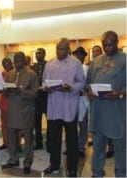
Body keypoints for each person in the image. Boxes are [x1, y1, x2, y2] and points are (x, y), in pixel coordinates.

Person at [42, 38, 85, 177]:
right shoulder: (50, 63)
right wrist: (45, 88)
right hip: (54, 106)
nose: (59, 51)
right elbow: (44, 81)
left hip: (69, 106)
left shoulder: (76, 63)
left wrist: (71, 87)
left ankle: (72, 167)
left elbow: (81, 83)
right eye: (58, 48)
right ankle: (54, 164)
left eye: (62, 49)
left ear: (68, 49)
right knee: (53, 137)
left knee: (72, 139)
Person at [86, 31, 126, 177]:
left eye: (110, 44)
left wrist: (121, 93)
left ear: (117, 43)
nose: (107, 48)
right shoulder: (96, 61)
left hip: (117, 112)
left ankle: (121, 174)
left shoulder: (125, 60)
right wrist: (88, 91)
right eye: (104, 45)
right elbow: (87, 83)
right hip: (98, 111)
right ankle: (97, 173)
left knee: (120, 148)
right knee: (98, 146)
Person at [2, 51, 39, 175]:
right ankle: (13, 159)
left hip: (26, 110)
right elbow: (5, 91)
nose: (16, 63)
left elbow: (35, 93)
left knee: (28, 138)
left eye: (19, 60)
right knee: (11, 135)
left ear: (24, 61)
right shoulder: (10, 74)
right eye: (15, 61)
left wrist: (21, 91)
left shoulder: (31, 74)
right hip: (12, 109)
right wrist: (6, 91)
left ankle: (28, 162)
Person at [72, 46, 89, 158]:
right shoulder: (71, 68)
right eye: (77, 54)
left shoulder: (88, 69)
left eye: (81, 55)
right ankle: (72, 147)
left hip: (84, 100)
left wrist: (85, 91)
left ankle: (80, 147)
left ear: (84, 56)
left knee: (83, 126)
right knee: (71, 126)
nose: (78, 56)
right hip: (72, 100)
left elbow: (91, 83)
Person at [30, 48, 48, 150]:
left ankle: (50, 142)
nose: (37, 55)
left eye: (39, 53)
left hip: (46, 97)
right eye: (36, 54)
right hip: (36, 97)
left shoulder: (49, 65)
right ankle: (39, 143)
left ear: (44, 54)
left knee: (50, 121)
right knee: (37, 122)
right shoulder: (32, 67)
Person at [0, 58, 14, 150]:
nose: (6, 65)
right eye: (4, 63)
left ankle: (17, 144)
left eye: (7, 63)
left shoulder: (16, 73)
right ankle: (6, 142)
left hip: (14, 102)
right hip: (4, 102)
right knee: (4, 124)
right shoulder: (2, 74)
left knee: (15, 124)